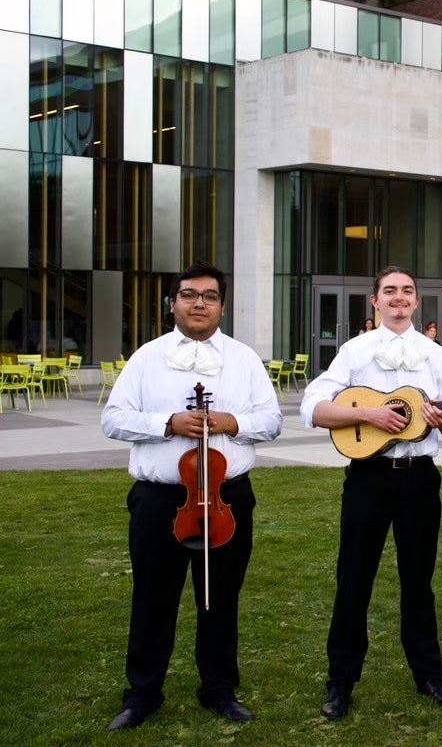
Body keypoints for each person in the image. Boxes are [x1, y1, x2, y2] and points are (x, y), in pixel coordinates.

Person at [100, 262, 283, 731]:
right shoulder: (146, 357)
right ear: (173, 303)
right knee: (152, 598)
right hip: (160, 499)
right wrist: (167, 423)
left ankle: (219, 689)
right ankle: (142, 695)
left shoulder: (244, 359)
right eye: (188, 295)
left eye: (208, 296)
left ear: (222, 305)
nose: (198, 303)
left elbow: (273, 421)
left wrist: (233, 423)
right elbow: (113, 419)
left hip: (227, 498)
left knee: (220, 598)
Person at [300, 266, 442, 719]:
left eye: (407, 291)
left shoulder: (435, 354)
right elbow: (312, 407)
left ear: (417, 302)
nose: (399, 297)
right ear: (374, 301)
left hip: (420, 477)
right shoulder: (354, 351)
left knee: (419, 581)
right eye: (390, 291)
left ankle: (430, 675)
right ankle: (341, 681)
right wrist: (372, 415)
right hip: (368, 476)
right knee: (353, 579)